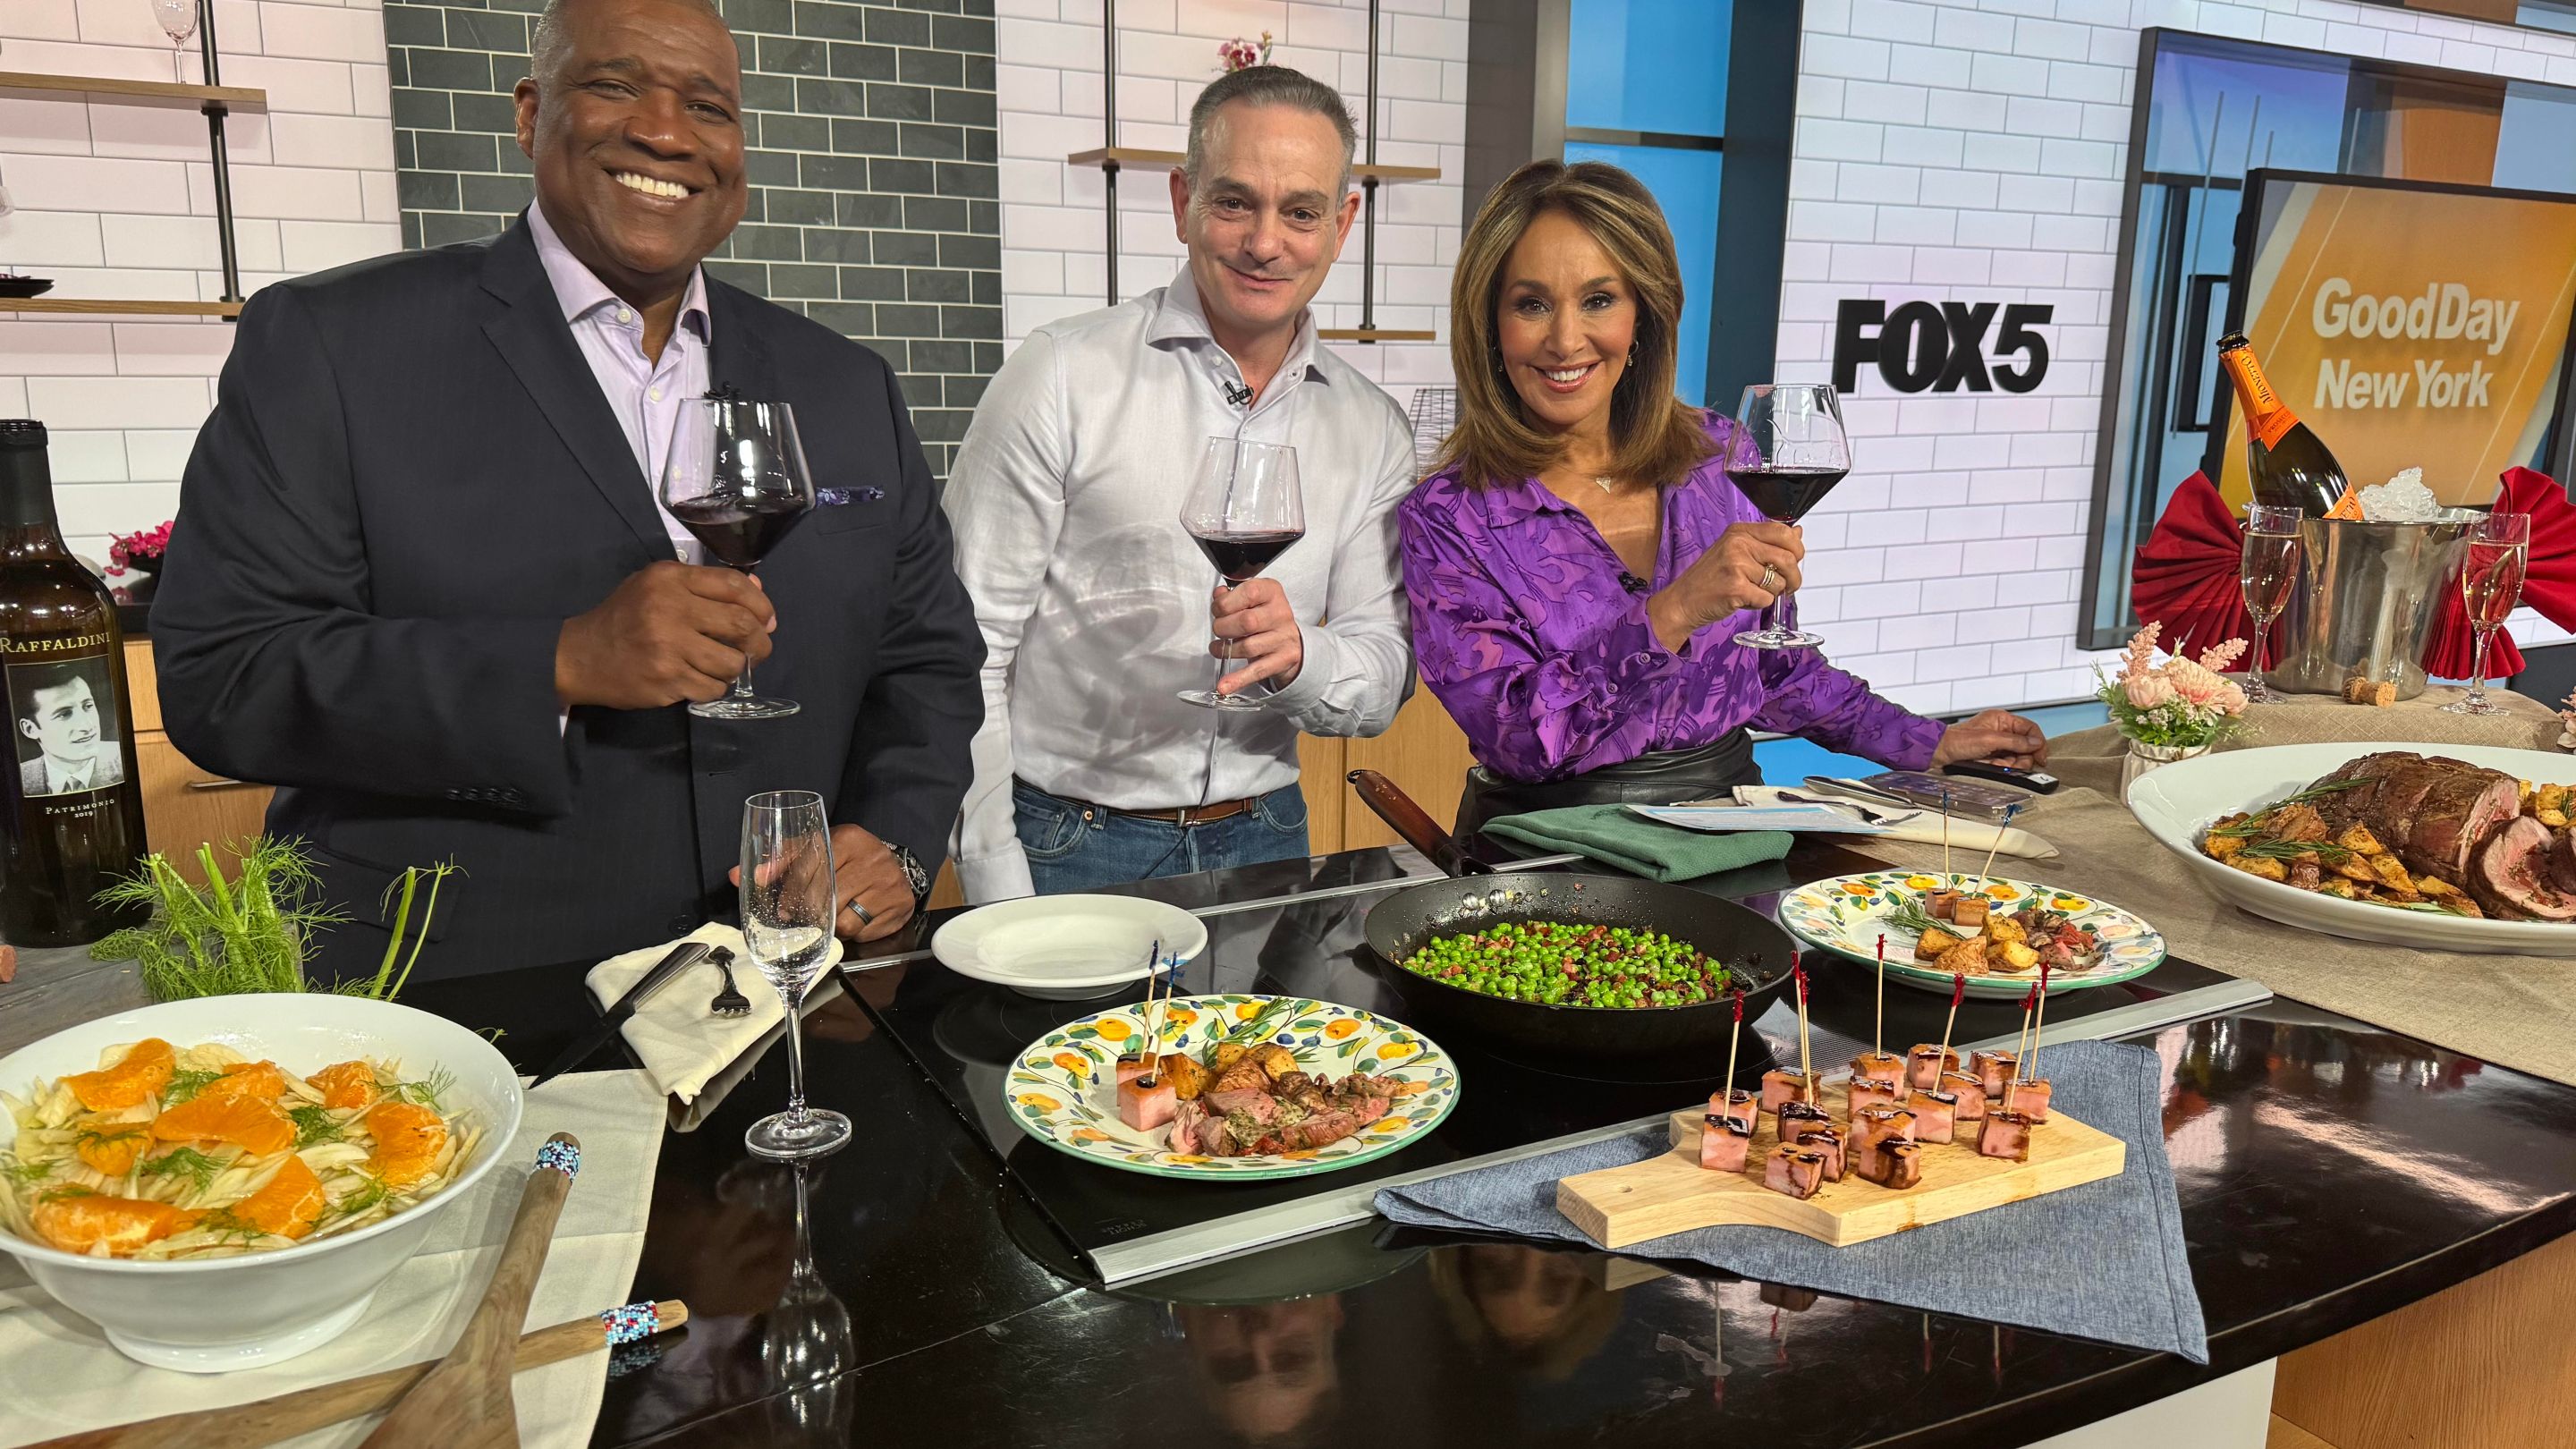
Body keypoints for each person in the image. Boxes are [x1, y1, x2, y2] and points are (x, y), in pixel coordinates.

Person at [151, 0, 982, 982]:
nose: (666, 132)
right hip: (465, 1000)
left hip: (786, 997)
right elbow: (224, 677)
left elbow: (928, 658)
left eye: (708, 106)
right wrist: (559, 662)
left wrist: (897, 836)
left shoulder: (846, 385)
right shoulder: (336, 347)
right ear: (528, 114)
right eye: (615, 85)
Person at [1400, 161, 2045, 837]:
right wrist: (1674, 610)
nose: (1565, 339)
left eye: (1599, 300)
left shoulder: (1720, 458)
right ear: (1490, 324)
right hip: (1550, 851)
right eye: (1531, 303)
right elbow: (1520, 741)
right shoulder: (1447, 518)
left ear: (1644, 313)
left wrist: (1929, 742)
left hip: (1727, 830)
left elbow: (1778, 671)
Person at [942, 66, 1417, 902]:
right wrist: (995, 881)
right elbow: (965, 649)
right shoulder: (1059, 375)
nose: (1266, 243)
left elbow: (1385, 673)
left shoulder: (1372, 425)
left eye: (1301, 212)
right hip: (1072, 843)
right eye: (1234, 202)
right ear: (1181, 201)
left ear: (1342, 225)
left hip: (1270, 837)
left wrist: (1303, 657)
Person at [15, 668, 125, 796]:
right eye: (64, 714)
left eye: (88, 706)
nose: (87, 725)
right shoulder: (17, 779)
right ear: (30, 729)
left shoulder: (127, 762)